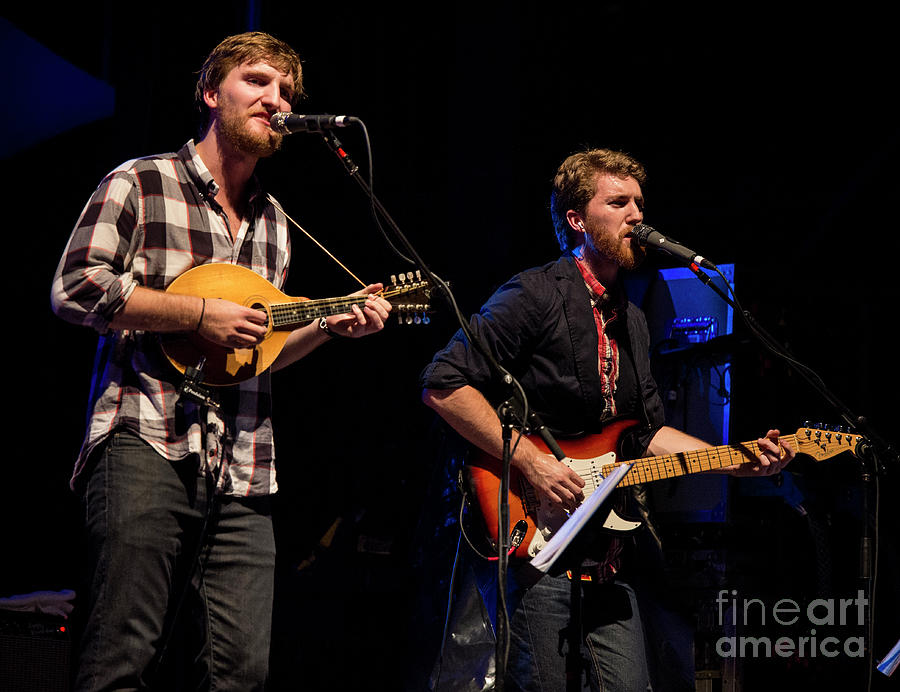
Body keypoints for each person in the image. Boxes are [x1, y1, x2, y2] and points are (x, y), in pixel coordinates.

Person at [50, 31, 391, 692]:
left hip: (242, 464)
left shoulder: (276, 222)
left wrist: (326, 325)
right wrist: (198, 314)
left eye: (286, 91)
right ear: (211, 93)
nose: (276, 100)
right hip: (142, 438)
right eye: (258, 82)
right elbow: (74, 289)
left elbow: (255, 353)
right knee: (123, 656)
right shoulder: (141, 181)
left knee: (241, 673)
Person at [420, 148, 795, 691]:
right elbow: (443, 382)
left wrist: (736, 462)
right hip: (536, 538)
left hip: (605, 553)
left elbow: (643, 434)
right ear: (577, 220)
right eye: (618, 202)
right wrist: (531, 461)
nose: (637, 215)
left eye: (639, 203)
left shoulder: (633, 319)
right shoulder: (533, 293)